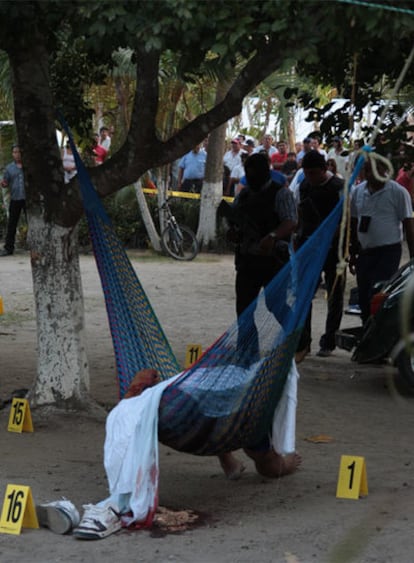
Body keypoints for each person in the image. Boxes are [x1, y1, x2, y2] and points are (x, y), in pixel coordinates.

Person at [294, 150, 345, 361]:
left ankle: (329, 341)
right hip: (308, 249)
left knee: (335, 296)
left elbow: (346, 219)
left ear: (325, 169)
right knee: (304, 296)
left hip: (334, 251)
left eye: (313, 173)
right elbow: (298, 218)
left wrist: (330, 240)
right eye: (306, 173)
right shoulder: (302, 187)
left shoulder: (339, 188)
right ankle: (304, 342)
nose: (310, 177)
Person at [349, 159, 414, 323]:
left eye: (374, 169)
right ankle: (366, 332)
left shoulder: (398, 192)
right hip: (364, 252)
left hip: (387, 252)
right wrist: (352, 252)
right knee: (363, 295)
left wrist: (413, 256)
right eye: (367, 170)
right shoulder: (358, 191)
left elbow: (408, 224)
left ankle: (378, 333)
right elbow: (354, 222)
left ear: (384, 169)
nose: (370, 174)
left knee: (378, 293)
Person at [0, 145, 25, 256]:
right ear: (12, 154)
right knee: (12, 224)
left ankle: (38, 247)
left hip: (28, 199)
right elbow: (6, 182)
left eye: (19, 152)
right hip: (15, 198)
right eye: (15, 152)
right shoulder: (9, 168)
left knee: (34, 222)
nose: (17, 154)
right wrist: (4, 184)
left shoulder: (28, 165)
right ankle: (8, 248)